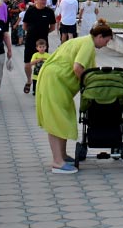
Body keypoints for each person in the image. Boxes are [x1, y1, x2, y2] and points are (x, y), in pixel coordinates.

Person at [35, 20, 114, 174]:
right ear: (99, 36)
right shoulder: (88, 45)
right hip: (55, 82)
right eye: (106, 40)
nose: (106, 44)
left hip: (56, 81)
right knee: (56, 120)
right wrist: (87, 87)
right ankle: (57, 162)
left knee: (61, 119)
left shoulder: (82, 41)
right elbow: (78, 67)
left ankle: (62, 155)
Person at [21, 0, 56, 94]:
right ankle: (28, 80)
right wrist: (32, 32)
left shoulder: (49, 12)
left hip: (43, 42)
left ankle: (39, 83)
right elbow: (24, 26)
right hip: (30, 40)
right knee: (28, 63)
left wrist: (44, 32)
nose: (44, 1)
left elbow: (53, 27)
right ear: (36, 0)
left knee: (43, 63)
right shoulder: (30, 11)